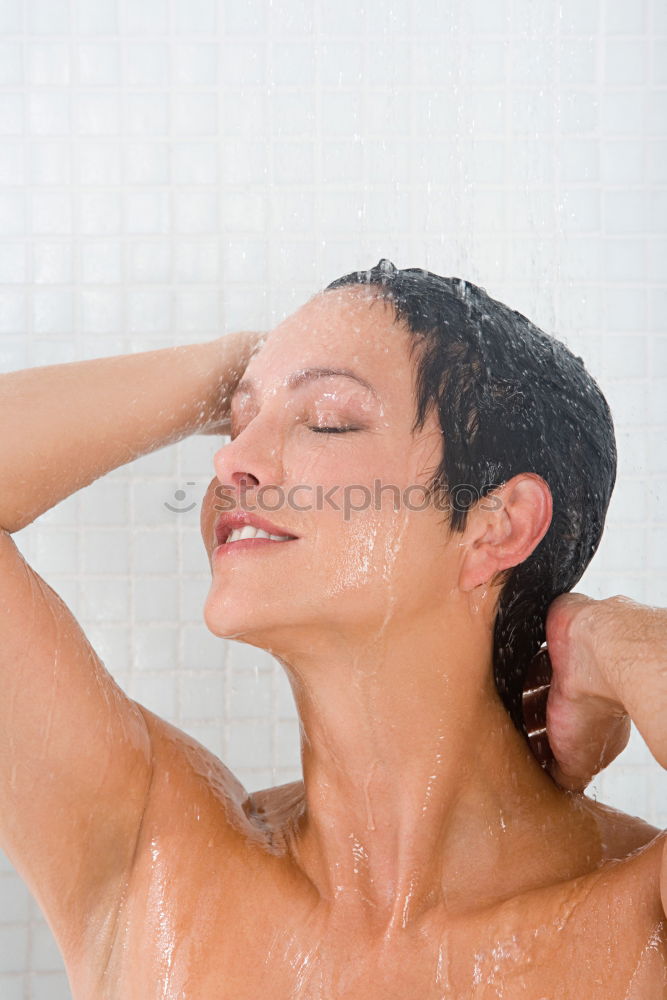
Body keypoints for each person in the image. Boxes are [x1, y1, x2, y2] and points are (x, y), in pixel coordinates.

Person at [0, 260, 664, 997]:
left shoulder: (639, 922)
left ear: (494, 528)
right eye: (237, 421)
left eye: (327, 419)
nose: (230, 460)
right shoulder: (153, 858)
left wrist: (611, 640)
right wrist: (233, 367)